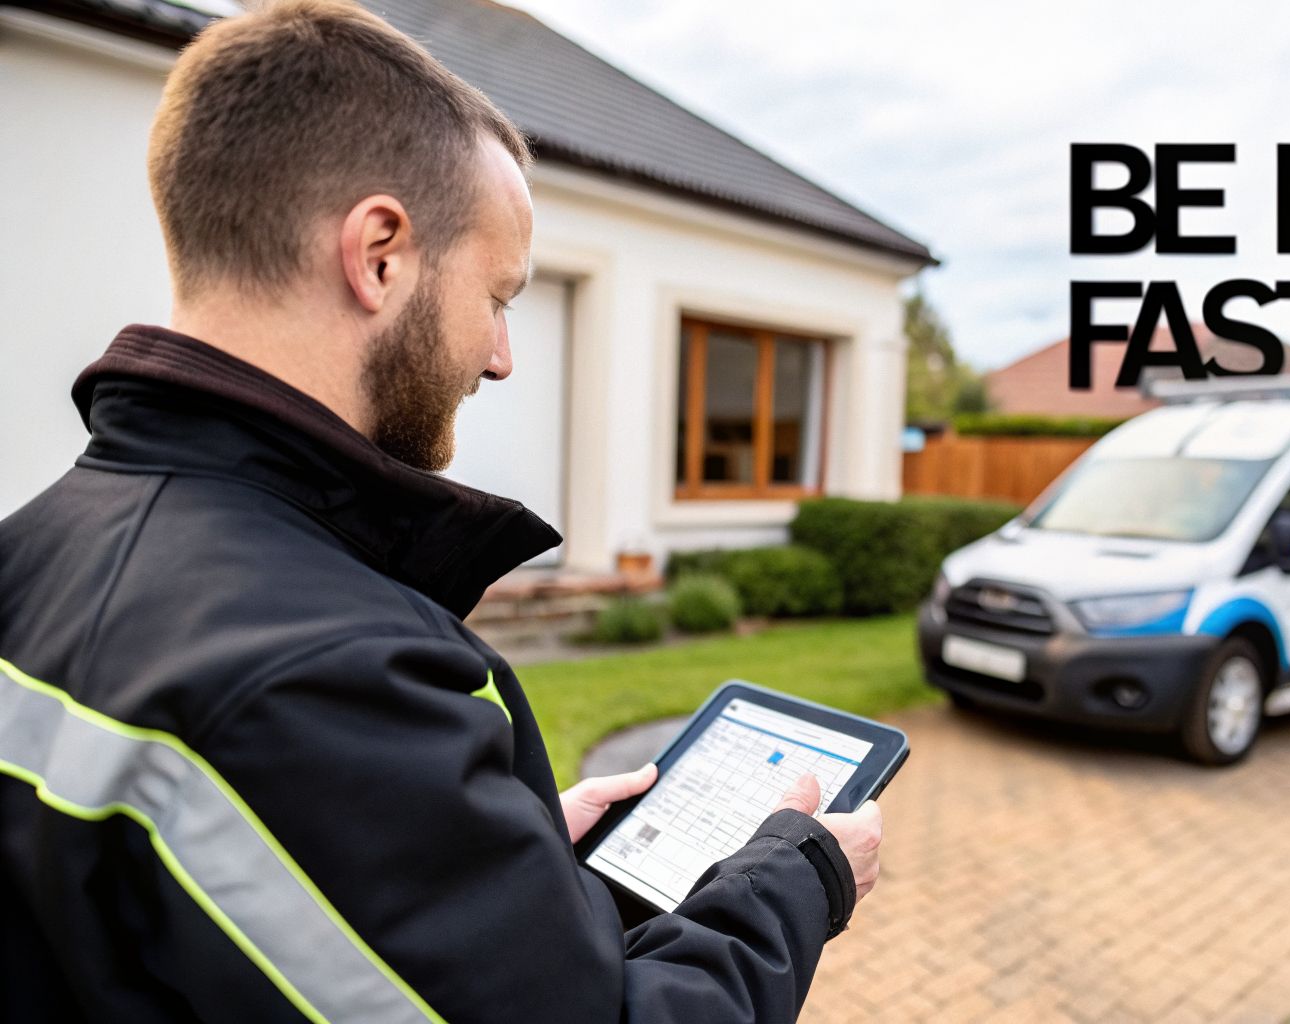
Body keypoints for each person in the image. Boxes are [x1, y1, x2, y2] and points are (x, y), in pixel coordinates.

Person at [0, 3, 881, 1021]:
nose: (502, 355)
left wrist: (472, 845)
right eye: (500, 296)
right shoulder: (328, 671)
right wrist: (795, 877)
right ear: (379, 253)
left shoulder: (36, 548)